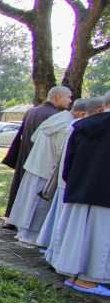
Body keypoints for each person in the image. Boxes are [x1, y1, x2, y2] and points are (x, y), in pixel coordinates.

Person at [42, 92, 110, 294]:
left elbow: (68, 160)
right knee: (99, 238)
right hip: (104, 192)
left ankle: (73, 274)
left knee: (77, 234)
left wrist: (72, 182)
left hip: (79, 188)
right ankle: (87, 280)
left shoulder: (79, 125)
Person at [6, 100, 76, 244]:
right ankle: (30, 236)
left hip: (35, 162)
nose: (68, 100)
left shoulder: (54, 118)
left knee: (28, 200)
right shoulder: (66, 124)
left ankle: (22, 231)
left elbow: (34, 137)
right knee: (38, 205)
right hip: (47, 167)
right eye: (67, 97)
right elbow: (61, 151)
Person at [38, 98, 103, 250]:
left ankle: (55, 252)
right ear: (99, 111)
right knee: (70, 225)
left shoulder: (74, 125)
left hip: (70, 180)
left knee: (64, 222)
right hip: (76, 182)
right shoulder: (77, 126)